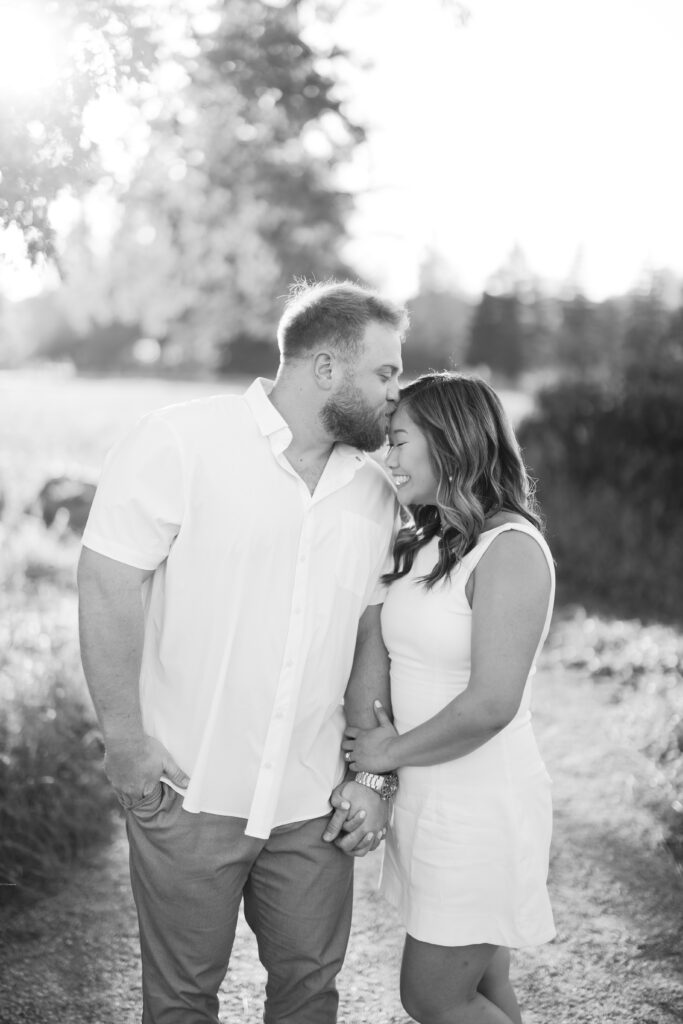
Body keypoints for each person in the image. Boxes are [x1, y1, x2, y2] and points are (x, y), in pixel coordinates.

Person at [77, 280, 408, 1024]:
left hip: (312, 806)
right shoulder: (179, 441)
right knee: (182, 1002)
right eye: (385, 372)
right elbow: (106, 582)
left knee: (307, 998)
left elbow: (368, 638)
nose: (397, 391)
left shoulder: (376, 493)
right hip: (189, 790)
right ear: (325, 369)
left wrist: (372, 778)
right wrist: (125, 741)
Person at [339, 371, 556, 1024]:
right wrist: (377, 776)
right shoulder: (425, 540)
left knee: (433, 997)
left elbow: (491, 703)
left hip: (481, 808)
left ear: (449, 441)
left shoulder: (509, 549)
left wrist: (387, 753)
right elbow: (376, 646)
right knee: (483, 993)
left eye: (400, 441)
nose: (389, 456)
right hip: (429, 800)